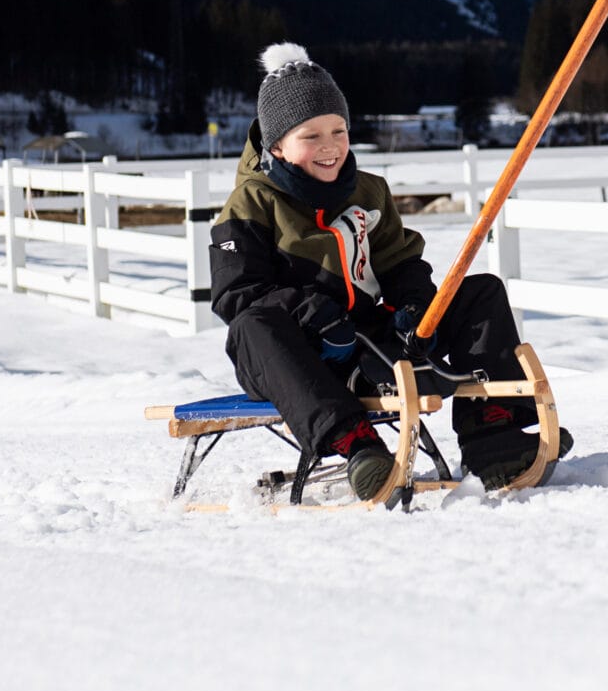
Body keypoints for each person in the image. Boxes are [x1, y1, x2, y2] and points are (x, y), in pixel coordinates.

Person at [210, 43, 570, 500]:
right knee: (253, 327)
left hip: (366, 341)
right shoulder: (251, 203)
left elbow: (400, 262)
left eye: (338, 131)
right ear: (277, 145)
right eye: (311, 136)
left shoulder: (368, 191)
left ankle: (492, 438)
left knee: (479, 293)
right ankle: (357, 447)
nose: (330, 147)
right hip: (291, 352)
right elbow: (235, 293)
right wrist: (309, 312)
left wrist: (413, 302)